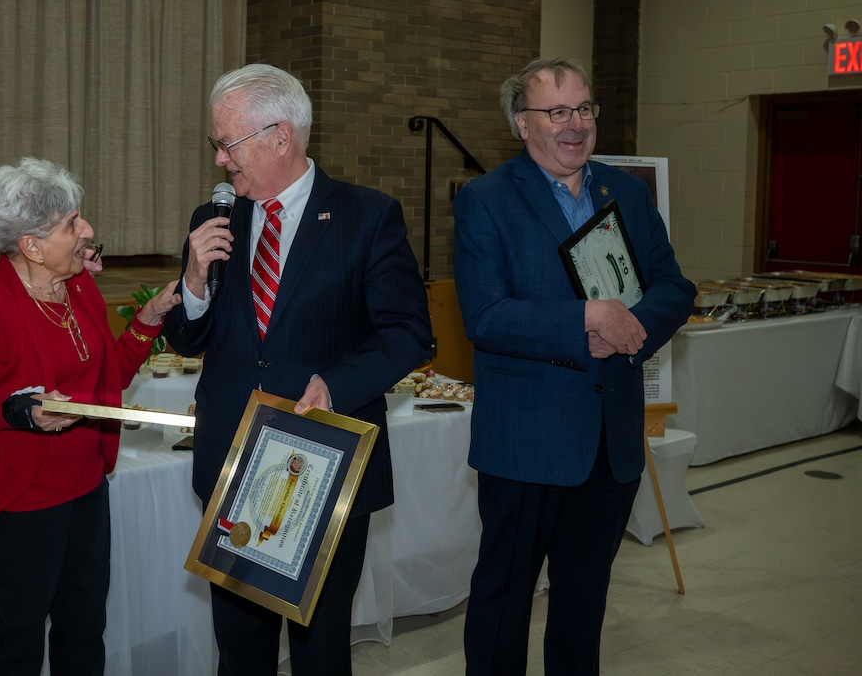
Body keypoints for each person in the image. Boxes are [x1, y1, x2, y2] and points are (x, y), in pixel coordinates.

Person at [165, 63, 431, 675]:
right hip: (233, 462)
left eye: (227, 144)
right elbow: (187, 337)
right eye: (216, 144)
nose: (219, 161)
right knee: (239, 649)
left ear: (280, 136)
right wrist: (194, 282)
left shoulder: (368, 216)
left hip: (324, 465)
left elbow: (408, 333)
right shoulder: (213, 218)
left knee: (320, 651)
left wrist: (338, 383)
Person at [452, 57, 695, 675]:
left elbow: (673, 286)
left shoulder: (627, 194)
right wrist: (588, 319)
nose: (575, 124)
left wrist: (633, 329)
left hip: (610, 444)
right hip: (525, 443)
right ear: (521, 123)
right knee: (504, 605)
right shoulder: (485, 200)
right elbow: (485, 315)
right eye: (557, 111)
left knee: (583, 609)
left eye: (584, 108)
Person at [0, 157, 181, 676]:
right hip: (20, 501)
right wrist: (17, 411)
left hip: (87, 487)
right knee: (16, 642)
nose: (86, 230)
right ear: (31, 245)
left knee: (84, 629)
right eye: (71, 224)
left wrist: (147, 319)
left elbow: (107, 380)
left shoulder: (78, 287)